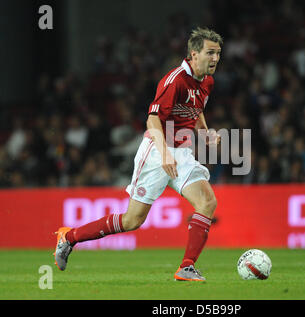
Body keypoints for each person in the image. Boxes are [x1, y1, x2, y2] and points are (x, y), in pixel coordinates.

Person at [54, 27, 223, 281]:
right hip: (157, 151)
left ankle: (186, 267)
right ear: (193, 53)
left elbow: (196, 110)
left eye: (218, 54)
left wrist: (206, 133)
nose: (215, 59)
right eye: (210, 53)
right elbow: (153, 121)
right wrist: (165, 154)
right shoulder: (174, 80)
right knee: (132, 221)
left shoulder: (207, 81)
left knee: (207, 202)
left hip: (182, 152)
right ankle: (69, 237)